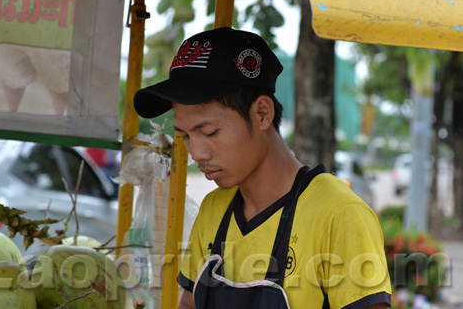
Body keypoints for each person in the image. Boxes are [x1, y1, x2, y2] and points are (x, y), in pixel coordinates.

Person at [133, 27, 391, 309]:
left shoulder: (340, 216)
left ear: (262, 114)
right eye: (185, 136)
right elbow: (189, 304)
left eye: (209, 132)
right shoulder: (213, 209)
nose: (196, 152)